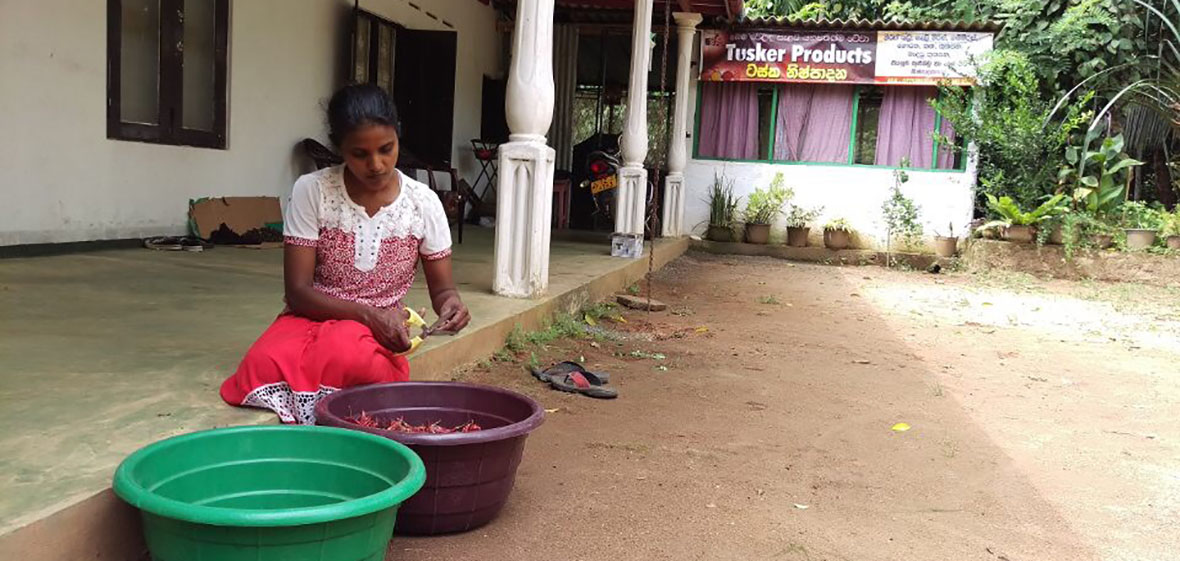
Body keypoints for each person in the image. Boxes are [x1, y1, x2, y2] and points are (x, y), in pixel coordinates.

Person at [220, 84, 470, 424]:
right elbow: (298, 292)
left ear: (398, 137)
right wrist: (366, 314)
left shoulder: (423, 203)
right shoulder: (314, 191)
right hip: (312, 317)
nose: (376, 164)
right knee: (261, 361)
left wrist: (451, 305)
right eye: (360, 154)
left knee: (351, 353)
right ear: (340, 149)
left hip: (377, 335)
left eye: (386, 149)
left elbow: (442, 290)